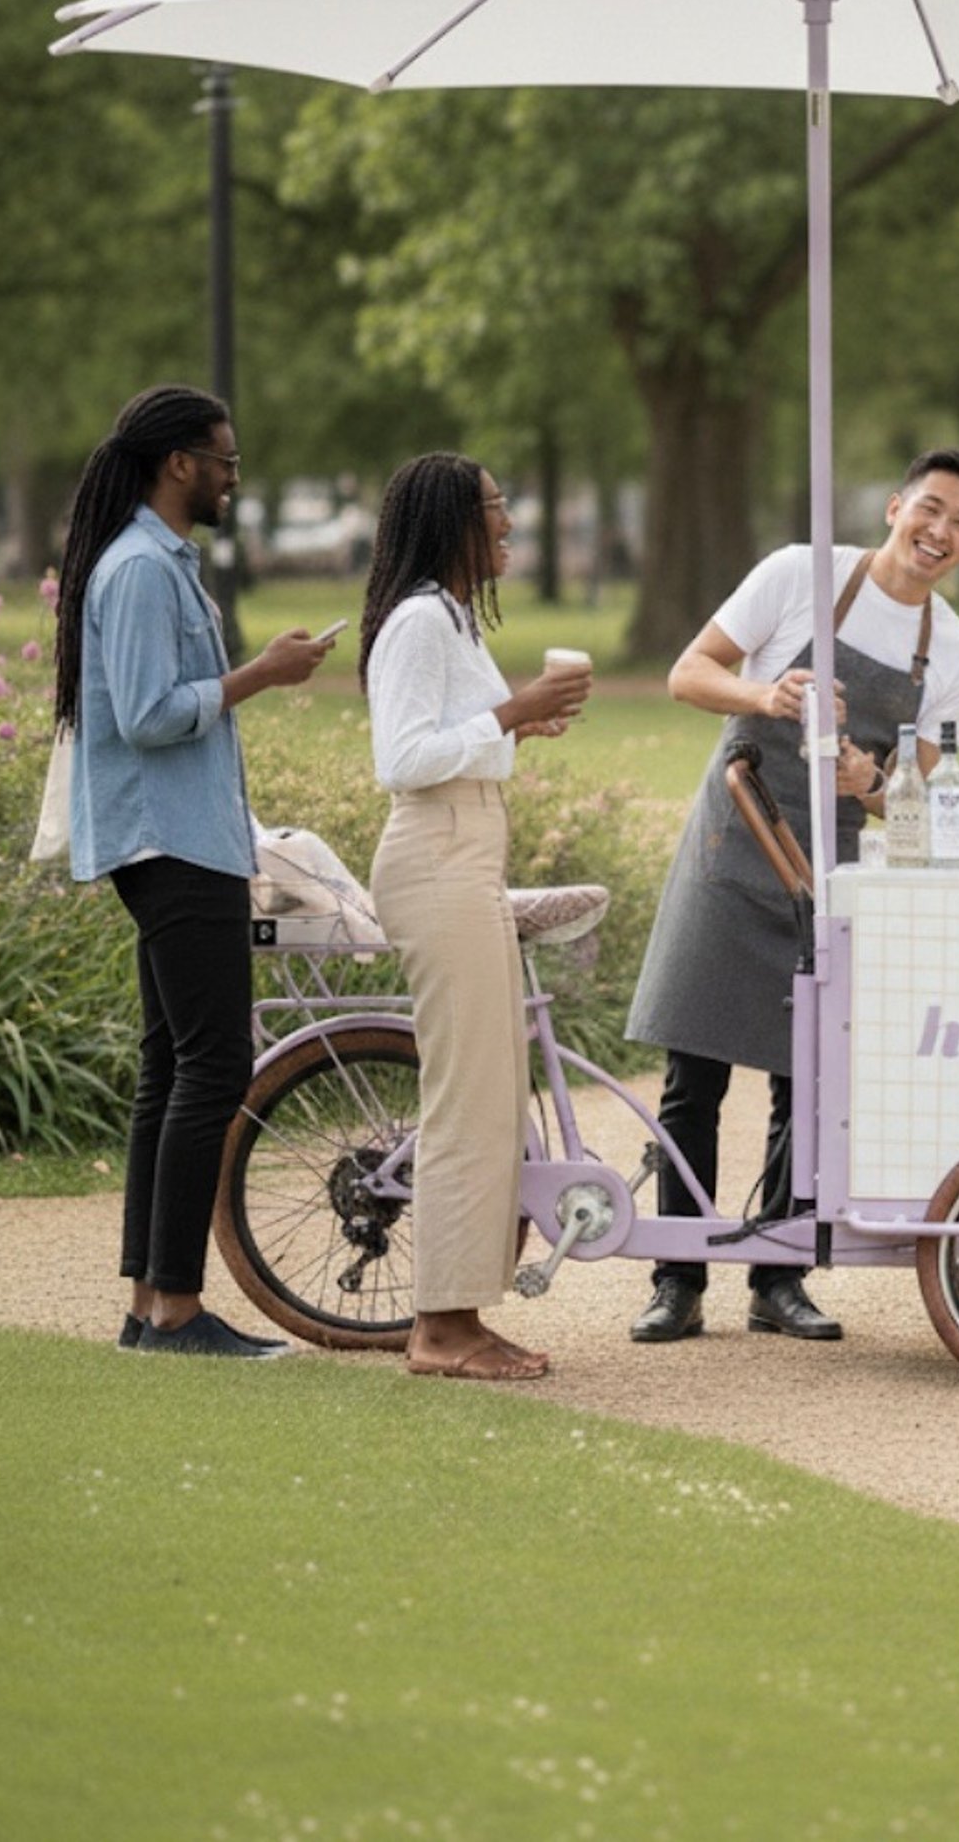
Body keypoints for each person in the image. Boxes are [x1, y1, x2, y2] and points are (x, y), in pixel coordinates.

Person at [625, 448, 959, 1346]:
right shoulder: (800, 575)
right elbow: (687, 673)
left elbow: (928, 791)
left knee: (805, 1081)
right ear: (896, 504)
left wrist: (873, 780)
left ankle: (779, 1278)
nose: (939, 533)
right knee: (694, 1076)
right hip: (732, 841)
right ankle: (677, 1277)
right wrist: (767, 692)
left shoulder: (951, 651)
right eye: (931, 509)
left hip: (826, 872)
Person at [55, 384, 335, 1357]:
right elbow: (146, 715)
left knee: (172, 1068)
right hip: (171, 845)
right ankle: (176, 1307)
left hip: (185, 840)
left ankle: (149, 1304)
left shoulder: (156, 562)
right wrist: (259, 673)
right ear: (180, 463)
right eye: (225, 461)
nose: (231, 480)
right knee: (213, 1068)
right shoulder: (139, 570)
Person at [361, 453, 593, 1385]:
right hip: (435, 859)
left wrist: (516, 726)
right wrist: (512, 710)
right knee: (465, 1102)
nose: (507, 527)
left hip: (468, 852)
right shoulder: (419, 620)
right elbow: (403, 759)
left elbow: (458, 739)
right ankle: (441, 1329)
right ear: (449, 521)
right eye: (493, 512)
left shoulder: (452, 618)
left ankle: (463, 1313)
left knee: (494, 1099)